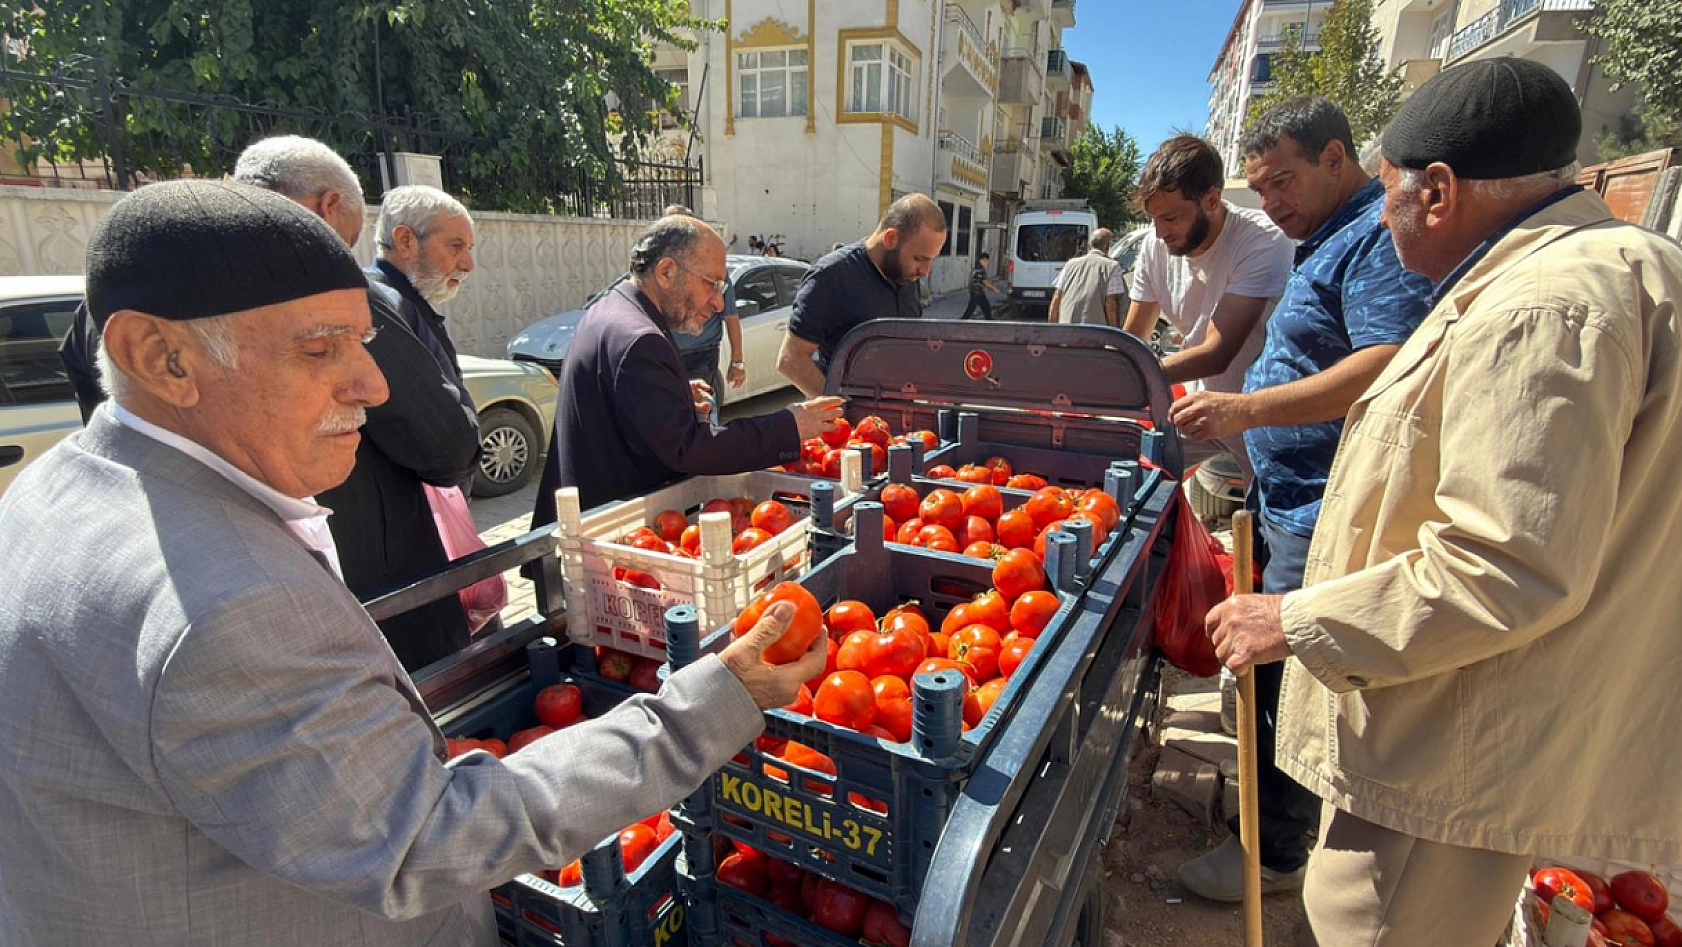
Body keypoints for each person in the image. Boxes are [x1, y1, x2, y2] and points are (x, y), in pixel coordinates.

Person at [0, 180, 826, 947]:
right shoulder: (222, 607)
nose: (369, 381)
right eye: (322, 348)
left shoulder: (48, 494)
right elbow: (424, 839)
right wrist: (708, 706)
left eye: (362, 341)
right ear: (160, 356)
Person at [1210, 58, 1682, 946]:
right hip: (1516, 708)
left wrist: (1296, 619)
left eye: (1386, 192)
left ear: (1437, 190)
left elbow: (1506, 562)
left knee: (1370, 923)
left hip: (1463, 736)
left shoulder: (1545, 306)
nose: (1380, 215)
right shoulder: (1622, 268)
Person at [1168, 96, 1433, 903]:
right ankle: (1270, 831)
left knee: (1291, 683)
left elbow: (1386, 362)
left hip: (1325, 507)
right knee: (1276, 675)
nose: (1273, 200)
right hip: (1289, 497)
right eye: (1262, 187)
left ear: (1335, 157)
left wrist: (1245, 408)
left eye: (1284, 179)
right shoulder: (1327, 238)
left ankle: (1272, 853)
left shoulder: (1373, 243)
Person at [530, 216, 843, 525]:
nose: (719, 303)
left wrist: (672, 392)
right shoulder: (640, 338)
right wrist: (791, 424)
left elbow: (621, 401)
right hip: (601, 528)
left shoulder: (614, 308)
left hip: (588, 515)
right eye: (712, 284)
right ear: (666, 272)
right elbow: (690, 448)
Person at [1123, 134, 1293, 483]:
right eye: (1153, 219)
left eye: (1170, 218)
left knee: (1266, 521)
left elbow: (1217, 352)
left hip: (1260, 417)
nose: (1159, 232)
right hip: (1204, 406)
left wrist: (1128, 374)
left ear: (1212, 200)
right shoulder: (1155, 246)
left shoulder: (1262, 239)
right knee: (1130, 475)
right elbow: (1132, 340)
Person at [778, 194, 945, 396]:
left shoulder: (907, 277)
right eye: (919, 258)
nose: (926, 271)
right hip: (851, 423)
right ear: (891, 238)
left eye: (931, 260)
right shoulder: (832, 277)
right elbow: (791, 359)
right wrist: (843, 411)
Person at [369, 184, 478, 414]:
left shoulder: (406, 304)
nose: (468, 265)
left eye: (469, 248)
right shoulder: (386, 310)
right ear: (405, 240)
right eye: (456, 247)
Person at [661, 204, 746, 424]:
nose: (716, 303)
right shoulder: (659, 272)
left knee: (703, 415)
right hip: (667, 354)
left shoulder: (713, 269)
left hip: (702, 355)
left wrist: (737, 362)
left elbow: (730, 316)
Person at [1048, 228, 1124, 326]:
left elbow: (1057, 297)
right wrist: (1115, 332)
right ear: (1107, 246)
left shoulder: (1070, 264)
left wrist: (1052, 328)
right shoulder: (1112, 266)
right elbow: (1110, 304)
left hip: (1067, 329)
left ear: (1089, 245)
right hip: (1095, 331)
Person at [960, 252, 999, 320]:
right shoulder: (979, 269)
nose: (987, 263)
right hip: (977, 292)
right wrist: (994, 288)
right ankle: (963, 320)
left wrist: (990, 284)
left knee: (985, 305)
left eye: (987, 261)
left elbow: (984, 279)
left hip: (978, 291)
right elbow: (984, 281)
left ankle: (989, 319)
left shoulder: (978, 268)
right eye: (985, 261)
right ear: (981, 260)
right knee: (971, 308)